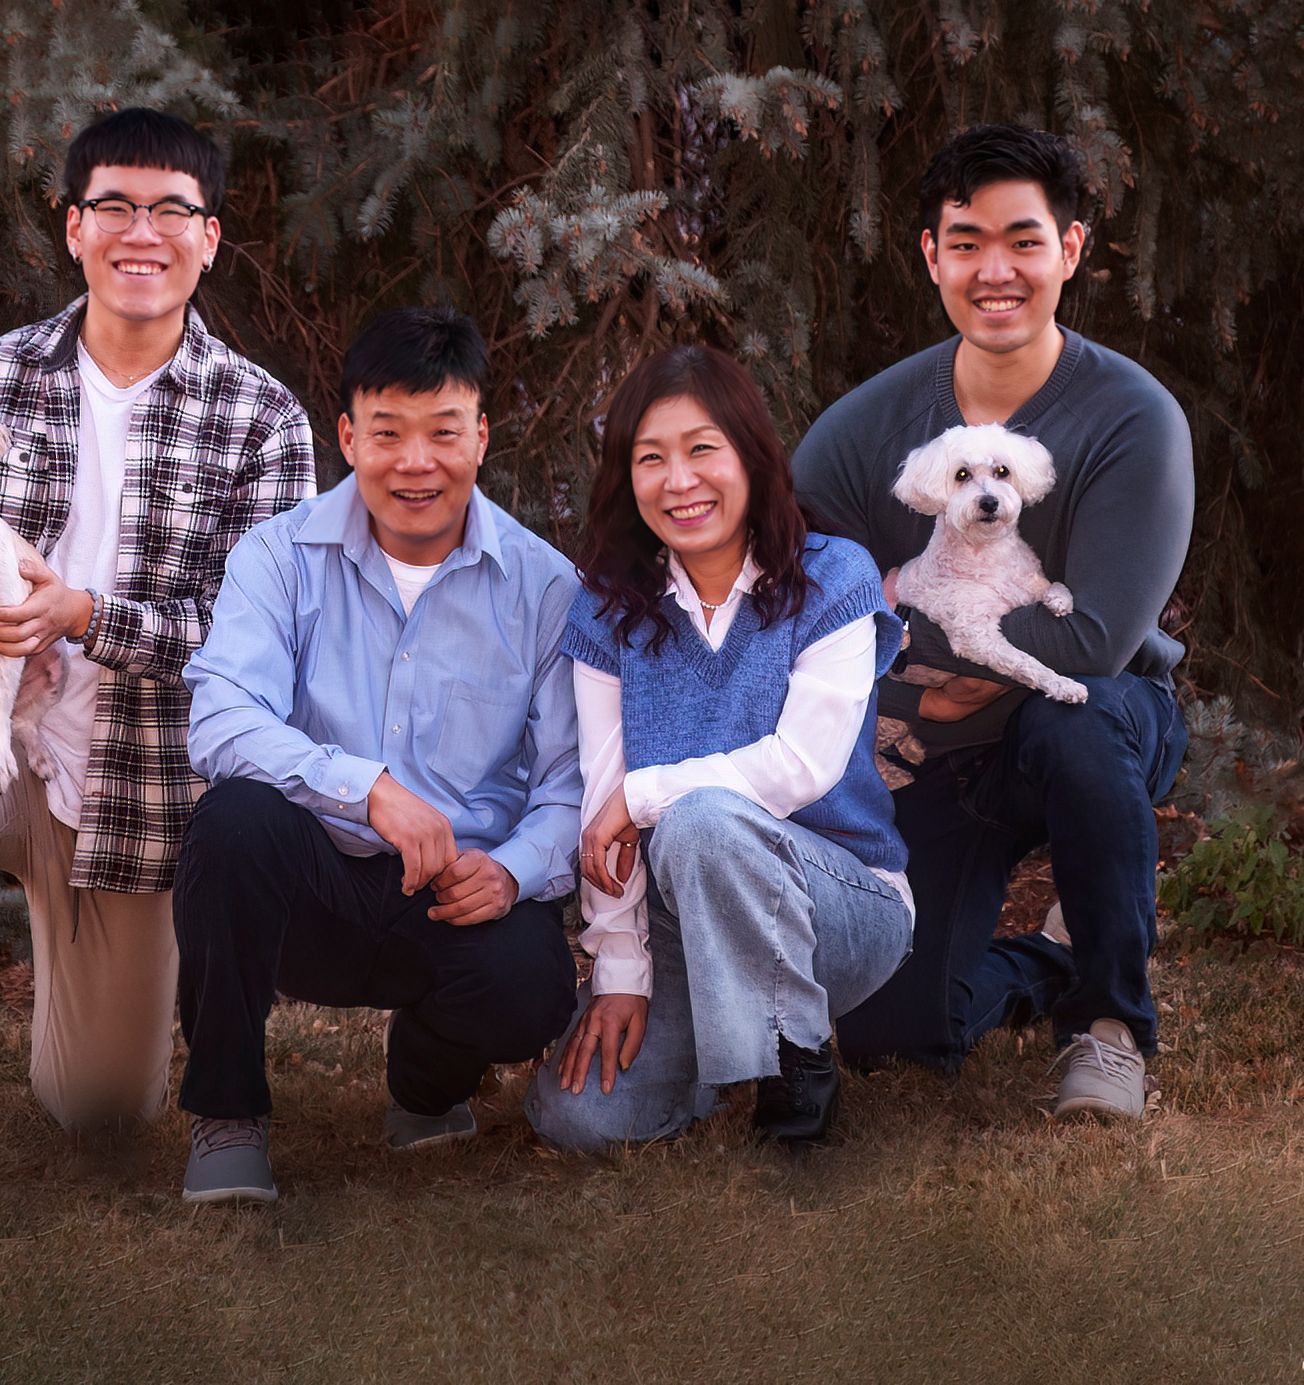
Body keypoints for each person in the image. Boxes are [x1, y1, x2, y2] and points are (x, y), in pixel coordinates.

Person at [0, 108, 316, 1214]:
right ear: (74, 228)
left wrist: (87, 614)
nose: (144, 231)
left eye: (171, 209)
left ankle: (71, 1002)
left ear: (211, 236)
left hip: (136, 785)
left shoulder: (261, 416)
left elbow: (260, 633)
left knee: (98, 1104)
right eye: (116, 207)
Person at [791, 123, 1193, 1118]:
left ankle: (1110, 1028)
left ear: (1072, 249)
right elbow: (795, 600)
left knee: (1077, 712)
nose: (996, 270)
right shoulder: (864, 430)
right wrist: (930, 676)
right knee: (894, 1042)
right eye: (967, 242)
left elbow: (1094, 640)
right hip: (941, 750)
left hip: (1100, 725)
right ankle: (1053, 957)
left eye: (1024, 238)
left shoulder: (1131, 420)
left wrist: (916, 645)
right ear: (932, 255)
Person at [174, 306, 581, 1203]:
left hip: (450, 900)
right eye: (388, 432)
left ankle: (424, 1087)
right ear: (349, 436)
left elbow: (569, 781)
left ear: (481, 435)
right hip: (310, 886)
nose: (415, 462)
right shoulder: (278, 556)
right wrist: (367, 789)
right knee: (232, 821)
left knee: (533, 982)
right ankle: (227, 1115)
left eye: (443, 432)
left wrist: (512, 871)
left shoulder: (547, 586)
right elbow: (222, 718)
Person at [524, 345, 914, 1151]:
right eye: (651, 458)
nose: (680, 480)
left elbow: (802, 767)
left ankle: (795, 1080)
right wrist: (623, 971)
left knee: (703, 818)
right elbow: (603, 804)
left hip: (842, 899)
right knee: (577, 1118)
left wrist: (641, 798)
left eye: (703, 449)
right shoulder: (608, 609)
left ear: (751, 453)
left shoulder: (832, 576)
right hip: (681, 914)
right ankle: (723, 1048)